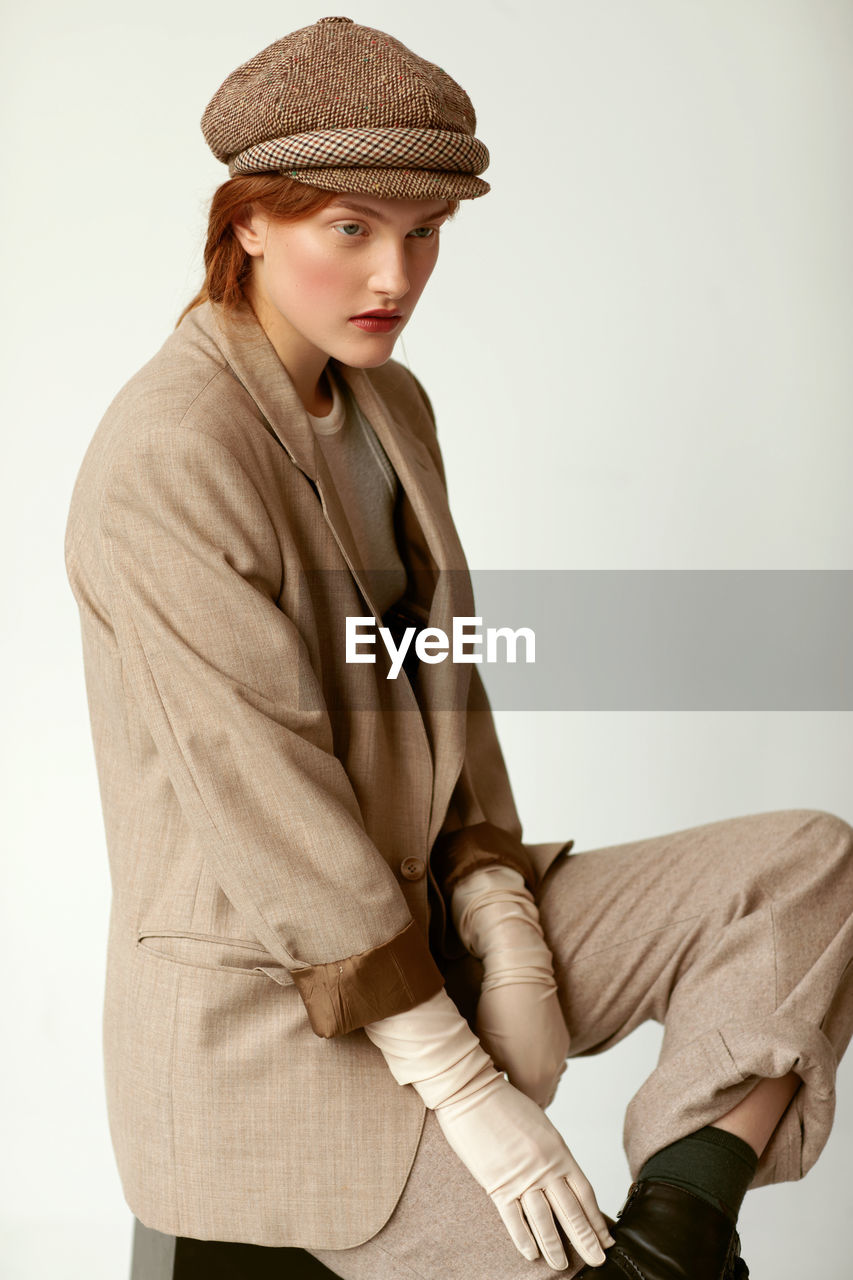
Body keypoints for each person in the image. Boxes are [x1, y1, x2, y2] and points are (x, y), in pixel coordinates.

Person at [63, 16, 853, 1280]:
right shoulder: (170, 455)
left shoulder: (388, 403)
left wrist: (510, 932)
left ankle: (682, 1219)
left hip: (428, 916)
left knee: (802, 867)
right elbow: (273, 815)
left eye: (424, 232)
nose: (395, 276)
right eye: (351, 229)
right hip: (277, 1019)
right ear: (251, 221)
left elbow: (445, 688)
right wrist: (469, 1090)